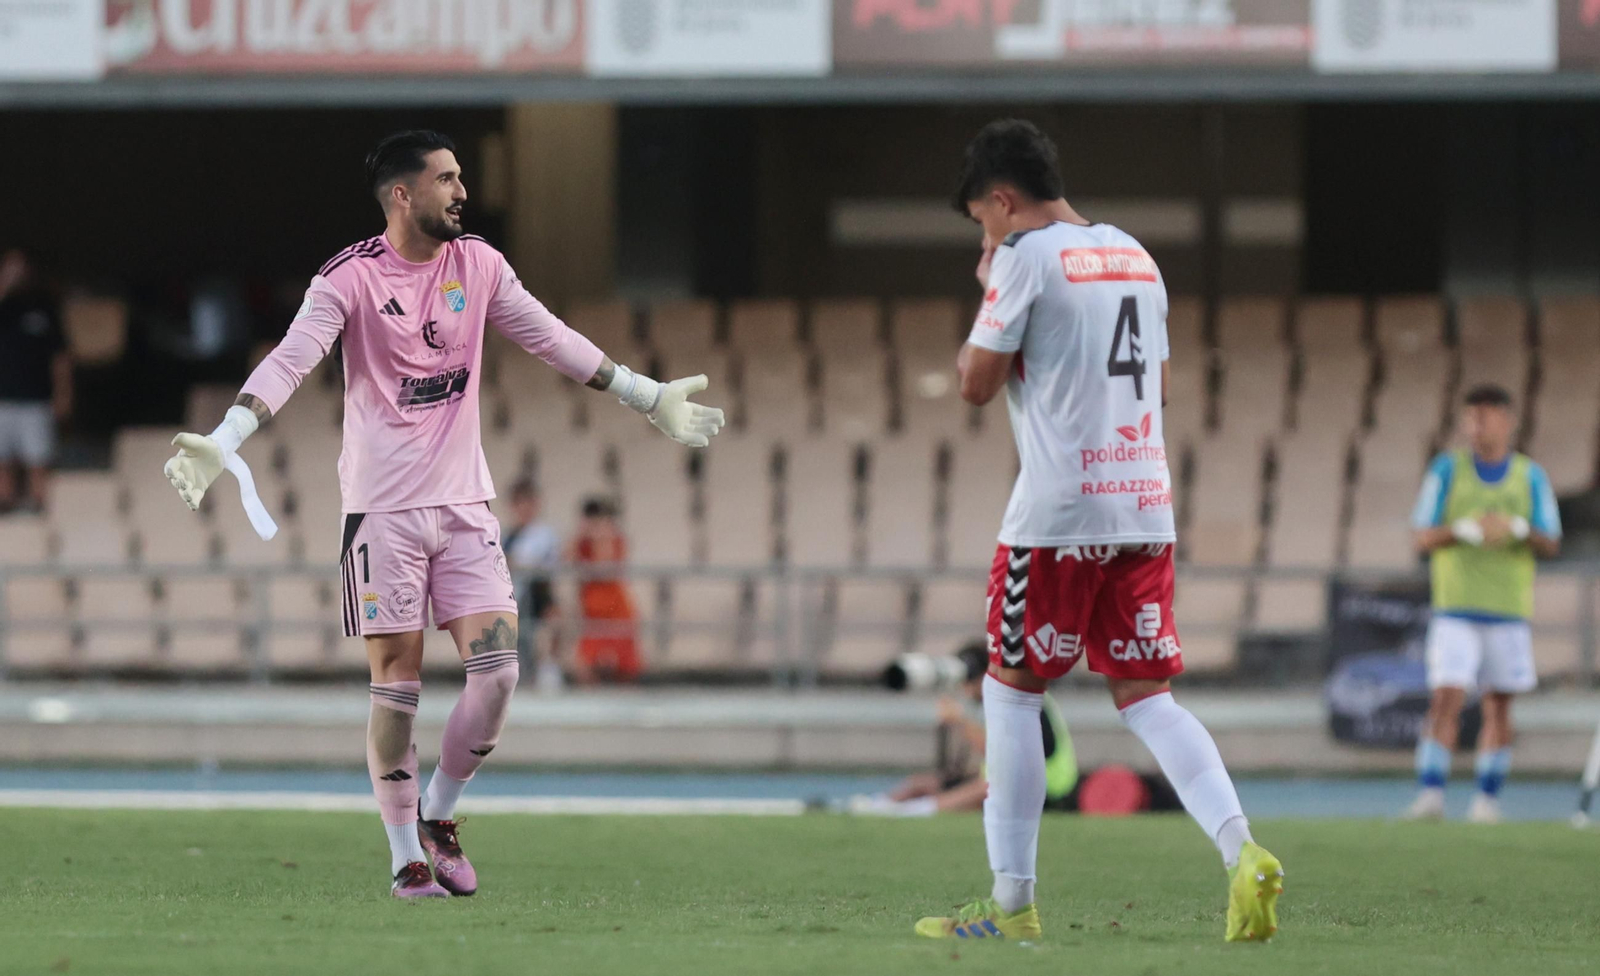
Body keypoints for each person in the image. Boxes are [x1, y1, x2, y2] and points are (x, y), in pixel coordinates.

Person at [161, 131, 724, 899]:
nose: (462, 191)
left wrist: (645, 394)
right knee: (398, 685)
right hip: (383, 513)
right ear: (403, 194)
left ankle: (439, 812)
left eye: (461, 177)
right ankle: (404, 858)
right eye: (446, 179)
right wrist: (226, 437)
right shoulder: (348, 280)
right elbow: (291, 359)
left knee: (499, 676)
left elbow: (550, 337)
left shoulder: (479, 266)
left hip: (464, 506)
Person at [913, 120, 1281, 943]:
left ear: (1004, 200)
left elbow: (975, 385)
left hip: (1057, 515)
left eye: (981, 218)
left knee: (1010, 690)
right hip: (1145, 503)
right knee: (1148, 697)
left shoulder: (1022, 257)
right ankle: (1242, 850)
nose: (985, 232)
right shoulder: (1136, 256)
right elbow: (1162, 381)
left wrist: (992, 285)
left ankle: (1011, 906)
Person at [1404, 384, 1561, 824]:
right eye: (1471, 417)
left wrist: (1516, 527)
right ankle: (1431, 795)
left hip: (1508, 611)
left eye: (1487, 416)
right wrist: (1465, 530)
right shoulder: (1447, 470)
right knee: (1446, 698)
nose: (1478, 426)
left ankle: (1486, 800)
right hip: (1455, 609)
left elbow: (1550, 541)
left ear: (1507, 421)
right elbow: (1422, 534)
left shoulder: (1529, 476)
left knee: (1500, 705)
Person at [852, 641, 1076, 817]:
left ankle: (915, 812)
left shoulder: (1023, 700)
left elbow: (1006, 757)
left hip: (1049, 789)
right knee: (926, 782)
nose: (965, 688)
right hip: (1020, 781)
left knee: (986, 787)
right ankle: (878, 806)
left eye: (969, 679)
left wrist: (961, 721)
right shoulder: (997, 702)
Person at [0, 249, 72, 513]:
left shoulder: (44, 307)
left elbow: (60, 356)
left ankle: (39, 506)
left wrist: (63, 394)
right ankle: (5, 505)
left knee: (38, 458)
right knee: (2, 459)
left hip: (36, 399)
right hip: (2, 398)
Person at [569, 496, 641, 684]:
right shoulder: (582, 543)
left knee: (624, 672)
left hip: (615, 612)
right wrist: (580, 534)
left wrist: (601, 534)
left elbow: (606, 563)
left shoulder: (614, 539)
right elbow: (565, 560)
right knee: (584, 667)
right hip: (592, 614)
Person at [502, 479, 563, 688]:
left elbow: (528, 563)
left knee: (551, 620)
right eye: (520, 503)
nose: (524, 509)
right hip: (511, 596)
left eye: (528, 503)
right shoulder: (506, 535)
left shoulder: (543, 534)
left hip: (538, 594)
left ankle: (548, 669)